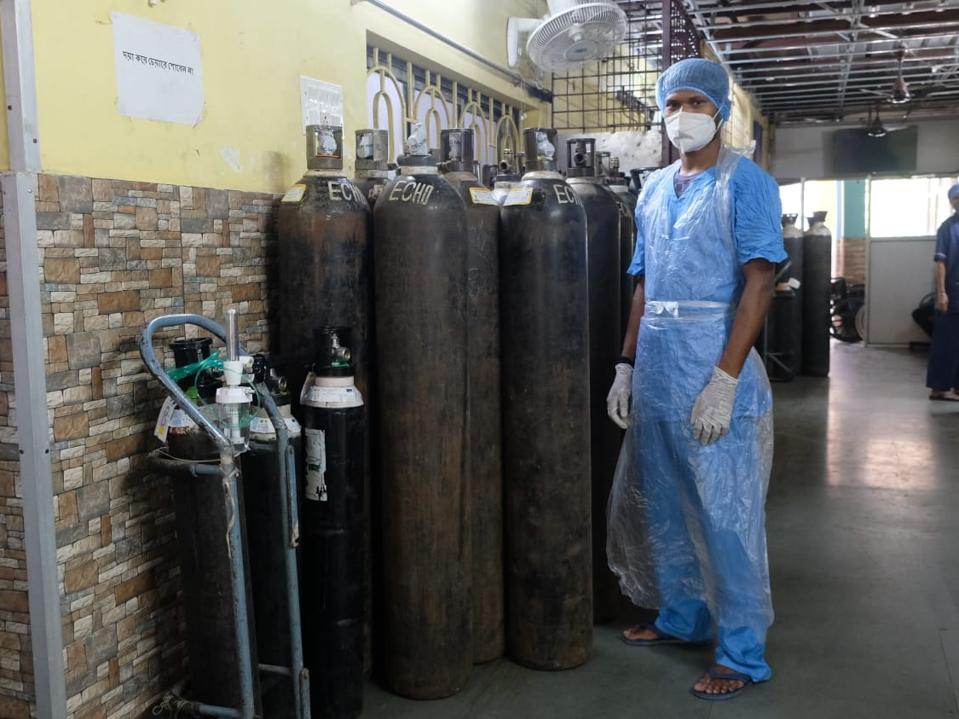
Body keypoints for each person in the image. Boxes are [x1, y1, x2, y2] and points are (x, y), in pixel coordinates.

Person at [605, 57, 786, 701]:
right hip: (657, 366)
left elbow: (760, 283)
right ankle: (682, 616)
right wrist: (627, 363)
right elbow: (643, 282)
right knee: (665, 506)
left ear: (717, 110)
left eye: (693, 102)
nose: (681, 114)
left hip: (713, 362)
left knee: (726, 513)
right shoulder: (654, 189)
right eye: (671, 102)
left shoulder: (746, 184)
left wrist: (726, 378)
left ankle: (741, 651)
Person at [927, 184, 959, 400]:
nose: (957, 201)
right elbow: (940, 262)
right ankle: (939, 387)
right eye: (954, 198)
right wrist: (941, 293)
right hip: (951, 293)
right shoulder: (947, 228)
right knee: (945, 342)